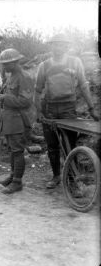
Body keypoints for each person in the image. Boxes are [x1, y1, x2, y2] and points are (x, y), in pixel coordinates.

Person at [34, 34, 99, 189]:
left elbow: (83, 85)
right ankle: (56, 176)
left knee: (70, 144)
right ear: (51, 46)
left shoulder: (75, 62)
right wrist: (38, 112)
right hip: (49, 109)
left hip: (68, 109)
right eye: (55, 45)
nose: (58, 47)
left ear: (66, 46)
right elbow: (37, 91)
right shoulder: (44, 65)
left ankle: (72, 181)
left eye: (62, 45)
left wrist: (91, 109)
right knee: (52, 146)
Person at [0, 49, 34, 194]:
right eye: (3, 64)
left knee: (17, 151)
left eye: (6, 64)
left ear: (15, 62)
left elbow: (26, 102)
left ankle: (17, 182)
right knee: (13, 150)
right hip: (10, 119)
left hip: (19, 120)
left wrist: (5, 98)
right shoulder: (12, 76)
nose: (4, 67)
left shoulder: (24, 77)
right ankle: (13, 176)